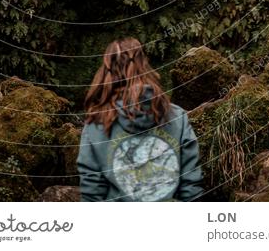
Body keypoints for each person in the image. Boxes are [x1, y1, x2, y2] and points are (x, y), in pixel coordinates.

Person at [77, 37, 203, 201]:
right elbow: (191, 187)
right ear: (145, 66)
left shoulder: (97, 123)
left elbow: (92, 193)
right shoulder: (176, 117)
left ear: (107, 72)